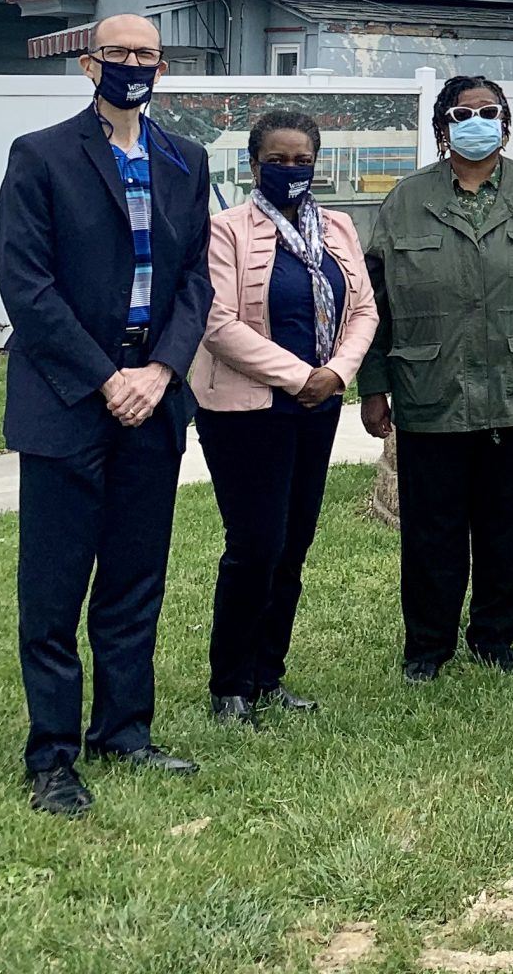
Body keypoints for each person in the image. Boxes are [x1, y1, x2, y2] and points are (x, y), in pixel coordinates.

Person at [0, 13, 212, 818]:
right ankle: (51, 755)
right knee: (52, 590)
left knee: (133, 579)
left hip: (154, 400)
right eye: (117, 53)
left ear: (161, 67)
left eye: (146, 54)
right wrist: (103, 378)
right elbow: (27, 286)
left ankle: (125, 730)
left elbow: (196, 282)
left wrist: (160, 369)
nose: (132, 64)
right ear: (90, 66)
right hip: (67, 400)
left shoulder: (184, 160)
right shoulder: (41, 156)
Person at [358, 75, 513, 684]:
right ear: (443, 126)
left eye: (489, 112)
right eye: (462, 114)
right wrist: (374, 383)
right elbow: (370, 300)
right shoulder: (406, 200)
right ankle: (427, 647)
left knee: (508, 524)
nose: (476, 121)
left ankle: (496, 637)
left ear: (506, 122)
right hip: (427, 389)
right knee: (431, 529)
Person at [191, 110, 380, 723]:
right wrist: (302, 376)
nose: (291, 170)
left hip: (317, 409)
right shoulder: (225, 231)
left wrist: (336, 374)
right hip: (246, 414)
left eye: (302, 160)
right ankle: (230, 685)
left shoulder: (341, 228)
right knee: (256, 544)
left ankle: (268, 677)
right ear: (254, 164)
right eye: (278, 160)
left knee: (294, 544)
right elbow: (218, 324)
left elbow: (365, 311)